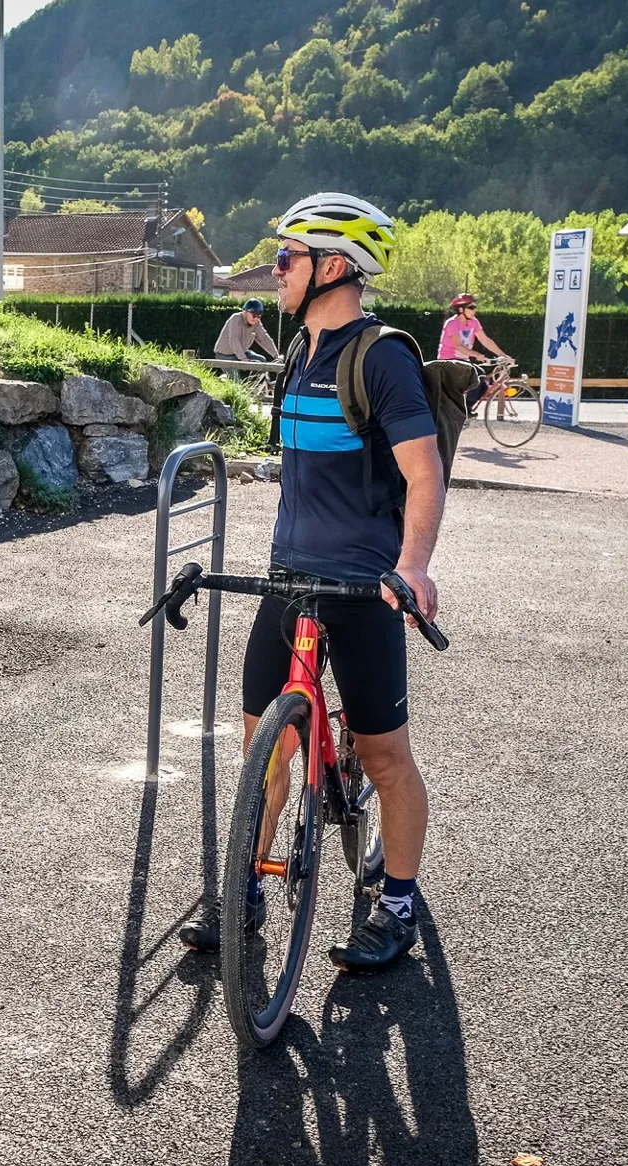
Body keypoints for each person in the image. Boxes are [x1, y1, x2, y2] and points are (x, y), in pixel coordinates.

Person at [180, 192, 444, 972]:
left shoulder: (381, 356)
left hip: (366, 585)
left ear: (333, 267)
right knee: (265, 746)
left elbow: (422, 476)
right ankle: (245, 889)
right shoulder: (297, 351)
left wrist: (414, 566)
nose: (275, 269)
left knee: (386, 755)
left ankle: (394, 902)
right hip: (288, 578)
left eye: (288, 257)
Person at [214, 298, 280, 362]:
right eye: (254, 315)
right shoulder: (235, 319)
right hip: (224, 355)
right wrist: (244, 359)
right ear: (245, 312)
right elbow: (233, 340)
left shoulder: (257, 323)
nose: (255, 318)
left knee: (261, 360)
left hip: (242, 352)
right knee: (236, 370)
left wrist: (276, 355)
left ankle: (257, 373)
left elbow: (264, 339)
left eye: (258, 316)